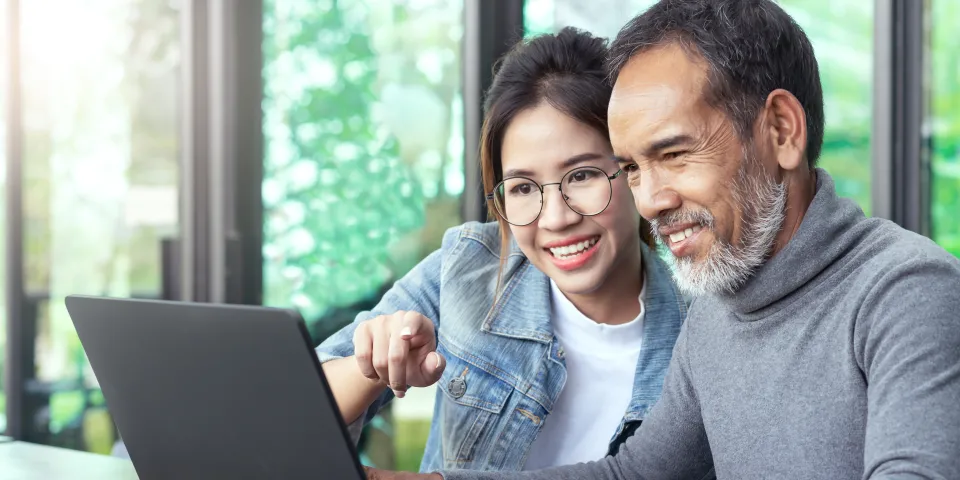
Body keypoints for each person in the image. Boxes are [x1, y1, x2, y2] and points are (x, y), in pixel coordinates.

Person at [365, 0, 960, 479]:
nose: (650, 200)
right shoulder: (719, 311)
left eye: (674, 154)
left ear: (781, 131)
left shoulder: (906, 291)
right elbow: (633, 472)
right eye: (631, 169)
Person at [316, 27, 687, 474]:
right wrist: (371, 367)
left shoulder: (697, 331)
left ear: (632, 169)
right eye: (524, 187)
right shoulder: (470, 266)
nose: (555, 218)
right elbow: (293, 411)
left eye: (582, 176)